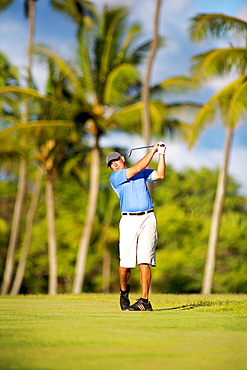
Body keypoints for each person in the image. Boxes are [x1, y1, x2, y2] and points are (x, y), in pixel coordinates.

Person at [106, 141, 166, 311]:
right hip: (128, 220)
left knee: (145, 260)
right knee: (125, 263)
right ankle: (124, 291)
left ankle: (144, 301)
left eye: (115, 160)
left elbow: (160, 174)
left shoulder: (141, 172)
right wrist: (153, 151)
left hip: (148, 217)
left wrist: (161, 153)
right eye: (111, 164)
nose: (114, 164)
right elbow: (138, 168)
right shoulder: (116, 177)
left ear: (122, 158)